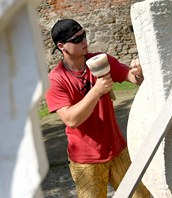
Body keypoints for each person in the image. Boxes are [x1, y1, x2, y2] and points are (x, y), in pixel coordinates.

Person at [45, 19, 150, 198]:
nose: (84, 41)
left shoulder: (101, 60)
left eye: (84, 35)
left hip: (118, 151)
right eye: (77, 39)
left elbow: (133, 79)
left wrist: (139, 71)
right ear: (62, 46)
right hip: (86, 161)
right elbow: (71, 119)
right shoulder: (56, 79)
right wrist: (97, 91)